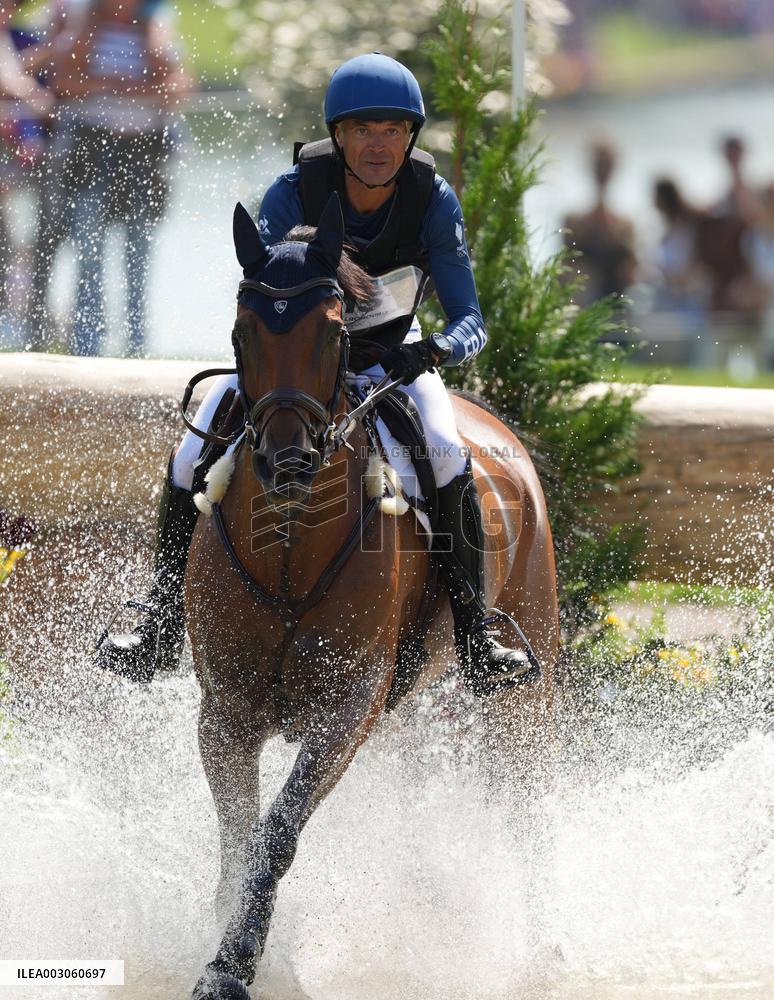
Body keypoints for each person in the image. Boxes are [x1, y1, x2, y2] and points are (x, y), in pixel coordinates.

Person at [96, 52, 529, 694]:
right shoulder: (291, 191)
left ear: (410, 137)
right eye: (363, 131)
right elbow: (266, 293)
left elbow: (472, 319)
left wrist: (431, 351)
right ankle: (158, 621)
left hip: (390, 351)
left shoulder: (432, 200)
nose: (379, 146)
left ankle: (474, 633)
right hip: (297, 357)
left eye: (392, 131)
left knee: (443, 446)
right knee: (194, 447)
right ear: (338, 135)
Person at [49, 0, 188, 356]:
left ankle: (136, 344)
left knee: (138, 250)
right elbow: (64, 82)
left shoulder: (156, 25)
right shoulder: (87, 23)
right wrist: (114, 85)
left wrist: (151, 34)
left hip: (142, 150)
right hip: (92, 148)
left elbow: (177, 88)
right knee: (89, 249)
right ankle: (86, 345)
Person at [563, 140, 637, 307]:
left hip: (615, 309)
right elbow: (565, 265)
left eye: (605, 166)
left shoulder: (625, 225)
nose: (602, 171)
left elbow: (631, 270)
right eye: (599, 165)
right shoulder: (574, 220)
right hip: (582, 307)